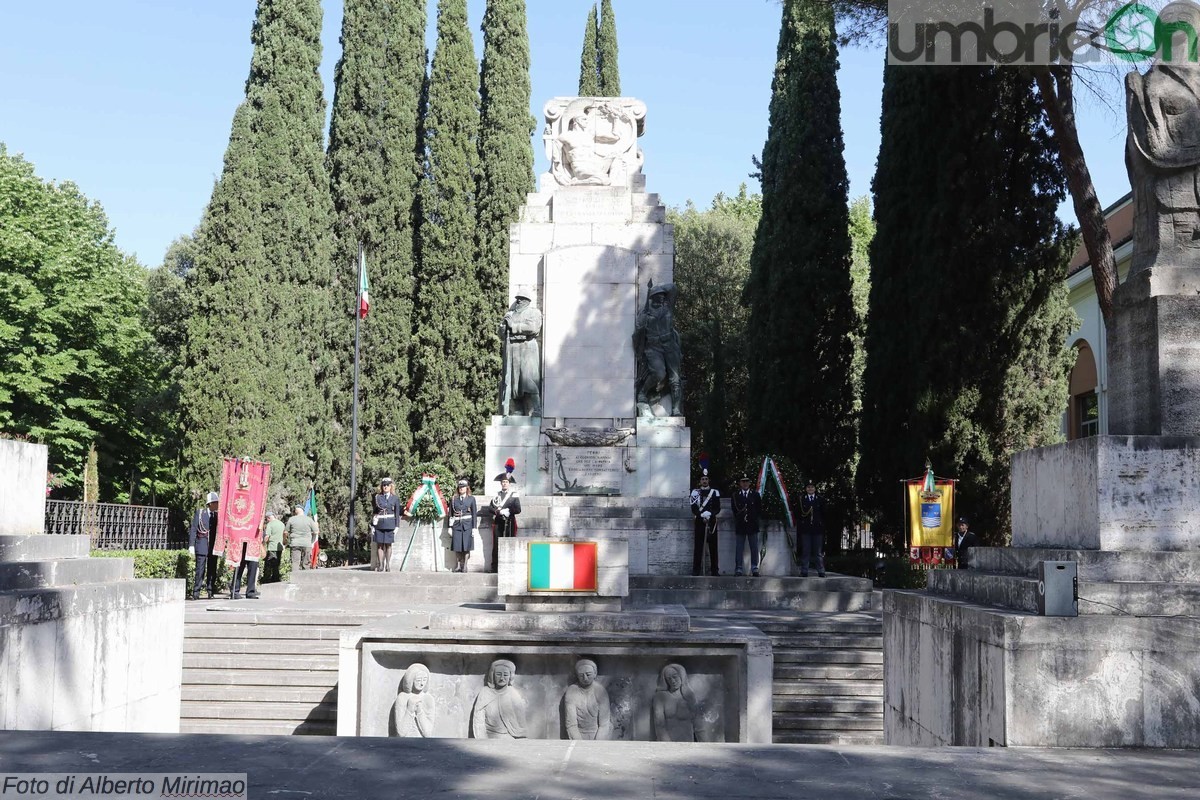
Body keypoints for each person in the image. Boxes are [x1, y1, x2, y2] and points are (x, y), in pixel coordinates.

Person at [633, 282, 683, 418]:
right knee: (659, 374)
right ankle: (643, 392)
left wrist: (657, 288)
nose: (662, 297)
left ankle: (676, 410)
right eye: (658, 296)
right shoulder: (645, 314)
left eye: (663, 296)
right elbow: (638, 333)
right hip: (653, 348)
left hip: (670, 346)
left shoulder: (668, 307)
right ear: (653, 298)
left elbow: (673, 287)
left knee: (675, 379)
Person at [499, 290, 543, 417]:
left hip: (527, 347)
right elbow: (501, 333)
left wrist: (513, 326)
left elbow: (533, 328)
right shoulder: (510, 314)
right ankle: (517, 409)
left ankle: (536, 408)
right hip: (512, 348)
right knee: (513, 381)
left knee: (528, 379)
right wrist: (503, 328)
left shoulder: (533, 312)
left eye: (522, 298)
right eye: (517, 298)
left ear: (527, 301)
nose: (518, 301)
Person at [471, 659, 527, 739]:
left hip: (510, 737)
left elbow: (521, 720)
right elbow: (478, 719)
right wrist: (482, 739)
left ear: (510, 677)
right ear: (492, 676)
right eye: (498, 674)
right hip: (489, 736)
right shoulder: (485, 692)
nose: (502, 678)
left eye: (505, 675)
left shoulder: (513, 693)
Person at [563, 658, 611, 740]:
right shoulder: (571, 691)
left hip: (598, 734)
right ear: (577, 676)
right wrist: (580, 744)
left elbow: (604, 724)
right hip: (578, 735)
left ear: (595, 674)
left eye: (588, 674)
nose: (585, 678)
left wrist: (597, 745)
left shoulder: (600, 691)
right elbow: (571, 724)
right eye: (581, 675)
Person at [652, 663, 699, 742]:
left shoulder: (689, 697)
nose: (672, 681)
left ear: (681, 676)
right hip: (667, 744)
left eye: (675, 677)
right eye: (669, 679)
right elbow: (659, 724)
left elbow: (697, 724)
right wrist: (667, 744)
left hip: (688, 743)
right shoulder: (660, 697)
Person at [188, 491, 219, 600]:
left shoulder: (217, 515)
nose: (217, 504)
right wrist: (191, 545)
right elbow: (193, 529)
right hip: (201, 546)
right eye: (215, 502)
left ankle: (211, 591)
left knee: (212, 570)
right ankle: (196, 592)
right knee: (200, 570)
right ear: (210, 503)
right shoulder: (200, 513)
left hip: (212, 547)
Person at [730, 474, 762, 577]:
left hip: (752, 524)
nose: (745, 483)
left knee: (754, 547)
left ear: (749, 483)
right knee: (739, 548)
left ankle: (754, 567)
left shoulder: (755, 495)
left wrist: (753, 519)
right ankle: (738, 568)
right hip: (740, 524)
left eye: (747, 481)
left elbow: (758, 509)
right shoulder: (736, 495)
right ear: (740, 483)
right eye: (743, 481)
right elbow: (735, 510)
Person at [690, 469, 721, 577]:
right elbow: (693, 508)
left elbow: (717, 508)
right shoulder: (695, 492)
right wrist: (701, 515)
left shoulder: (715, 492)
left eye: (706, 479)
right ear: (700, 481)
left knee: (713, 547)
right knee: (698, 547)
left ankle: (714, 570)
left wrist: (710, 514)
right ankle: (696, 569)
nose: (704, 481)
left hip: (711, 522)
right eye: (702, 479)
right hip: (700, 521)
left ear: (709, 480)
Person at [489, 471, 521, 573]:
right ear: (500, 483)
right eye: (503, 482)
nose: (504, 483)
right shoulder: (496, 495)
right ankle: (495, 568)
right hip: (498, 522)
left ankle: (509, 567)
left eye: (506, 482)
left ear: (509, 483)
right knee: (496, 544)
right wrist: (497, 511)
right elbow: (490, 508)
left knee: (509, 543)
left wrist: (509, 511)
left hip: (509, 522)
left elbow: (518, 509)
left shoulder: (514, 495)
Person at [392, 663, 434, 738]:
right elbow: (401, 732)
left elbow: (428, 733)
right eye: (418, 680)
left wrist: (420, 711)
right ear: (411, 680)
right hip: (404, 744)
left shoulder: (428, 699)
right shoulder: (402, 698)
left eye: (424, 680)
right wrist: (409, 710)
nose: (422, 684)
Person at [372, 477, 403, 573]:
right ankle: (381, 565)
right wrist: (372, 525)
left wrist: (397, 526)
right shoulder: (377, 497)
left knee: (388, 545)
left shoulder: (395, 498)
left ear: (391, 486)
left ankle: (388, 565)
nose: (385, 487)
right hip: (380, 523)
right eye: (384, 485)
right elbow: (374, 512)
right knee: (380, 545)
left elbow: (397, 513)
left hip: (390, 523)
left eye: (387, 485)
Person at [798, 481, 826, 578]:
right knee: (806, 551)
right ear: (806, 489)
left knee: (818, 552)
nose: (810, 489)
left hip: (817, 529)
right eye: (808, 487)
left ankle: (821, 571)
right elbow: (800, 514)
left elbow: (824, 514)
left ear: (815, 489)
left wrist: (822, 526)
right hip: (806, 529)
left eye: (812, 487)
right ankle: (804, 570)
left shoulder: (820, 500)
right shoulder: (802, 499)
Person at [450, 479, 477, 573]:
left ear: (467, 488)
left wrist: (474, 528)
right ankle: (457, 566)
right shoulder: (454, 499)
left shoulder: (471, 499)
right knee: (457, 546)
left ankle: (465, 566)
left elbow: (474, 514)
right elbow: (450, 514)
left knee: (466, 546)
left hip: (467, 526)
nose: (461, 489)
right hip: (457, 525)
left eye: (463, 487)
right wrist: (450, 527)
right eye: (460, 487)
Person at [285, 504, 317, 574]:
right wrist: (311, 539)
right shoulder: (309, 519)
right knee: (306, 563)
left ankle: (295, 579)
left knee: (295, 562)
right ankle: (306, 579)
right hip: (306, 544)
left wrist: (285, 540)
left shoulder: (291, 519)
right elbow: (316, 531)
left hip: (295, 543)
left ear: (296, 510)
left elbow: (285, 532)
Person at [262, 510, 284, 583]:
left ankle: (267, 579)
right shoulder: (281, 524)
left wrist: (263, 543)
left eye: (266, 519)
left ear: (268, 518)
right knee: (277, 564)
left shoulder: (270, 524)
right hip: (279, 547)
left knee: (269, 564)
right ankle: (276, 579)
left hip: (272, 547)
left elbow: (267, 536)